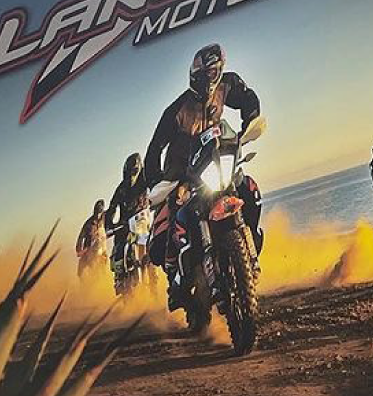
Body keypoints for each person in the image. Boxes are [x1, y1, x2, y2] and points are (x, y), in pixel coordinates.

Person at [144, 44, 263, 306]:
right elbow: (154, 148)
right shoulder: (177, 110)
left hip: (217, 163)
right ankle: (175, 279)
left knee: (248, 188)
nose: (208, 78)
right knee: (176, 211)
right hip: (183, 174)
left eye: (212, 72)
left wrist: (250, 122)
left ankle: (252, 238)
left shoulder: (227, 85)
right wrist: (155, 180)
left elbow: (247, 98)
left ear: (219, 71)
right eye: (202, 74)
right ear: (193, 74)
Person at [106, 152, 150, 287]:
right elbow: (112, 206)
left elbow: (156, 190)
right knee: (118, 247)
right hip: (124, 224)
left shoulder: (145, 181)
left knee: (146, 248)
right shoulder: (121, 188)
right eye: (129, 171)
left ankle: (151, 282)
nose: (131, 174)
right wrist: (109, 224)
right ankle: (119, 276)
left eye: (134, 170)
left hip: (141, 221)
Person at [75, 199, 107, 276]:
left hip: (101, 250)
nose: (98, 213)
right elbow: (81, 236)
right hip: (89, 250)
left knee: (102, 269)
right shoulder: (89, 223)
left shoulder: (104, 218)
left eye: (100, 210)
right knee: (80, 272)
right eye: (97, 210)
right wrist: (79, 249)